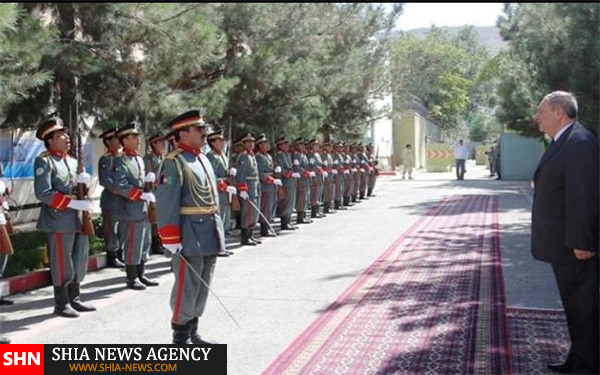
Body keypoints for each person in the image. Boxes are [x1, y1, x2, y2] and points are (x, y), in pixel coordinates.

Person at [531, 91, 599, 374]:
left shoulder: (579, 142)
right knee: (576, 306)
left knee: (585, 307)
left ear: (559, 112)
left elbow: (584, 196)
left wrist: (582, 242)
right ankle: (580, 358)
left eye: (541, 110)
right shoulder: (565, 140)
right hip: (564, 244)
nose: (537, 116)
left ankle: (589, 364)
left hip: (575, 247)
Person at [155, 109, 225, 344]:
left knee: (203, 284)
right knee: (187, 285)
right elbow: (166, 203)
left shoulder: (203, 158)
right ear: (183, 134)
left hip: (208, 233)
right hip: (189, 234)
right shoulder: (174, 162)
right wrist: (170, 237)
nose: (204, 132)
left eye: (204, 128)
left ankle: (193, 330)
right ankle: (180, 334)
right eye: (198, 129)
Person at [33, 117, 96, 318]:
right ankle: (61, 303)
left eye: (66, 134)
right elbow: (43, 193)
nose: (67, 138)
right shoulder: (44, 161)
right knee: (61, 261)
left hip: (77, 217)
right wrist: (70, 203)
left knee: (79, 256)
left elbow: (77, 189)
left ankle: (75, 298)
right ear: (50, 140)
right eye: (61, 135)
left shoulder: (73, 161)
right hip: (58, 219)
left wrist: (83, 186)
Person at [112, 121, 159, 290]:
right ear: (124, 140)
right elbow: (120, 185)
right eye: (134, 137)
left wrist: (149, 182)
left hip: (143, 207)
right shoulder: (120, 160)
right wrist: (140, 194)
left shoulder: (138, 158)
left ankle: (141, 273)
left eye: (138, 136)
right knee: (132, 242)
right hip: (130, 209)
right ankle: (131, 278)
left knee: (144, 241)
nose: (138, 139)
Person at [205, 127, 237, 251]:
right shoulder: (211, 157)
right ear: (213, 143)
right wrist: (225, 186)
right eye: (220, 140)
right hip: (218, 191)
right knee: (219, 218)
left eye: (223, 141)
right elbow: (212, 177)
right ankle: (218, 246)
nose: (223, 143)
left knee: (225, 217)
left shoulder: (223, 156)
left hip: (225, 191)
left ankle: (222, 245)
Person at [97, 127, 125, 268]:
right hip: (111, 200)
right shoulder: (106, 159)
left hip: (123, 200)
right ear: (108, 141)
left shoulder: (122, 158)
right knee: (111, 229)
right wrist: (120, 189)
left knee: (121, 229)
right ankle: (111, 256)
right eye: (115, 139)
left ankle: (120, 254)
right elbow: (105, 180)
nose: (119, 141)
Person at [236, 132, 262, 246]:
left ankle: (251, 235)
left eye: (252, 142)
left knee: (254, 213)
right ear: (244, 144)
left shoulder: (252, 155)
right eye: (248, 142)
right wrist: (242, 189)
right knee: (248, 213)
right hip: (248, 188)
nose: (251, 144)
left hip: (254, 187)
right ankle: (245, 238)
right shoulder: (244, 156)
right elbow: (241, 174)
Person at [274, 136, 298, 230]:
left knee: (291, 202)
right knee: (286, 202)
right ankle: (284, 223)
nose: (287, 145)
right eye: (284, 144)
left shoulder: (287, 154)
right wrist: (290, 174)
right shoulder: (280, 155)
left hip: (290, 181)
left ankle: (288, 220)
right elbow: (280, 170)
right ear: (280, 146)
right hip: (286, 182)